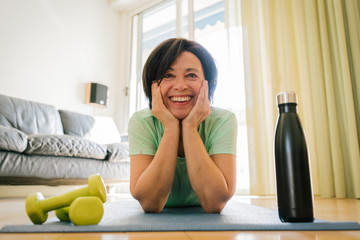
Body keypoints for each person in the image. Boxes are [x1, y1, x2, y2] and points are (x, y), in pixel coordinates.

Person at [128, 38, 237, 213]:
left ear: (207, 84)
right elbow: (150, 203)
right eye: (168, 75)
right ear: (153, 85)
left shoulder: (223, 120)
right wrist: (171, 128)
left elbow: (214, 203)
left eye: (191, 75)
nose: (180, 86)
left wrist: (190, 127)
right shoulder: (141, 121)